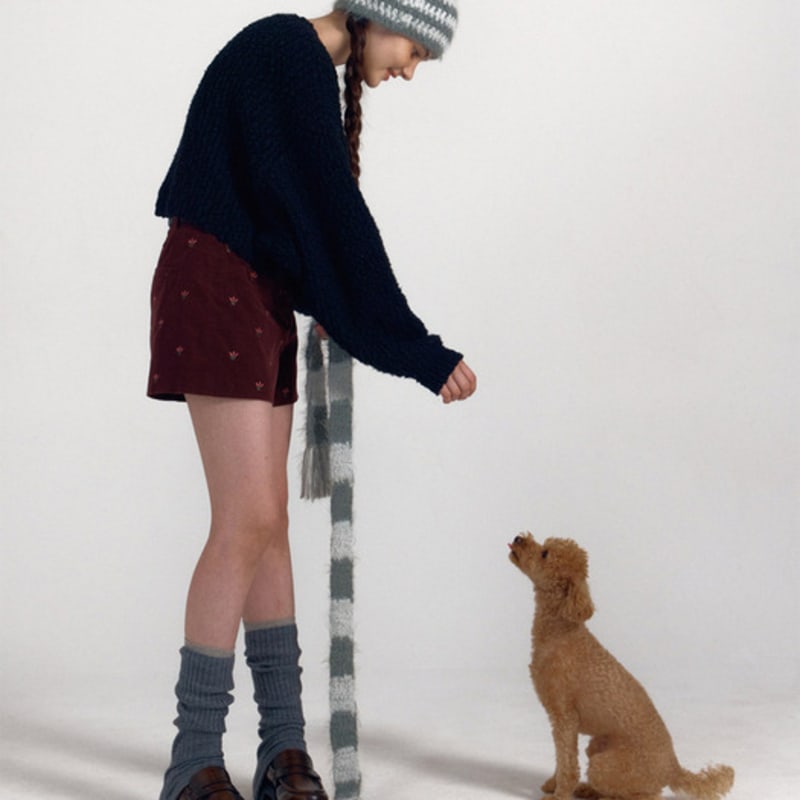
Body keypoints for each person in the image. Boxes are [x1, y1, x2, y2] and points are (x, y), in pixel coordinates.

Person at [147, 2, 475, 799]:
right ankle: (193, 758)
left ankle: (283, 749)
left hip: (250, 291)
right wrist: (415, 348)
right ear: (377, 15)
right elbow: (330, 212)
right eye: (415, 50)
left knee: (267, 526)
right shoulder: (288, 51)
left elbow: (298, 212)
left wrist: (330, 298)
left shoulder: (296, 60)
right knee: (246, 522)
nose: (410, 70)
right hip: (216, 286)